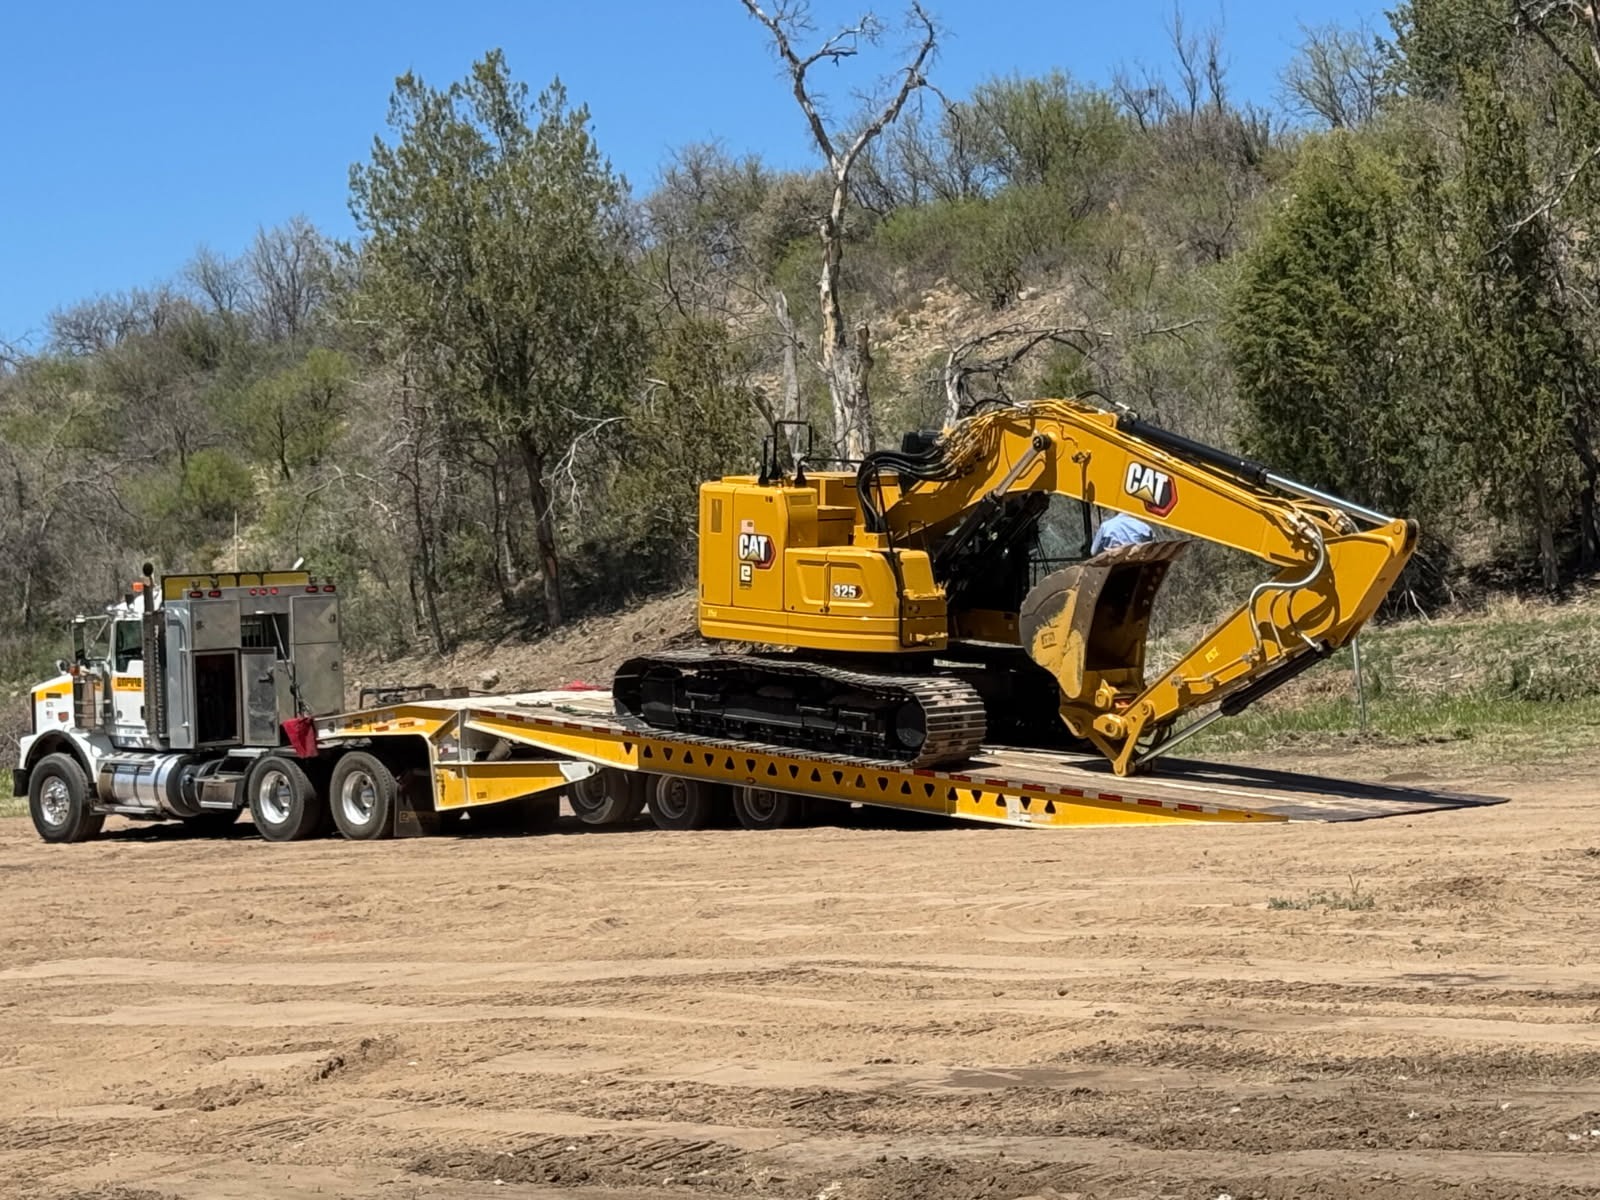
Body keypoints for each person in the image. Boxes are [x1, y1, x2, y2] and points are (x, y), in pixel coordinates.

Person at [1091, 510, 1155, 556]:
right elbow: (1151, 545)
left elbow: (1093, 551)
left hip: (1111, 564)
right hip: (1136, 563)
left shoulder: (1105, 526)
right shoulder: (1143, 526)